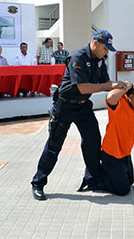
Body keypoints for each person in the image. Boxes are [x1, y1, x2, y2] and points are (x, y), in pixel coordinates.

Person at [31, 30, 126, 201]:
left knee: (93, 141)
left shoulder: (99, 61)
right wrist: (109, 86)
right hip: (65, 106)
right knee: (54, 145)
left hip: (83, 107)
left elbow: (106, 82)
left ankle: (93, 180)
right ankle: (38, 183)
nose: (106, 52)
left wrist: (118, 86)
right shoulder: (78, 58)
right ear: (96, 43)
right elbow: (83, 87)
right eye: (105, 48)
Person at [78, 82, 134, 196]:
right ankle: (93, 180)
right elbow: (110, 97)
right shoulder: (119, 104)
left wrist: (131, 85)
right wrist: (126, 87)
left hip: (125, 153)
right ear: (131, 97)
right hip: (111, 154)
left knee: (130, 181)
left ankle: (104, 174)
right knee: (123, 190)